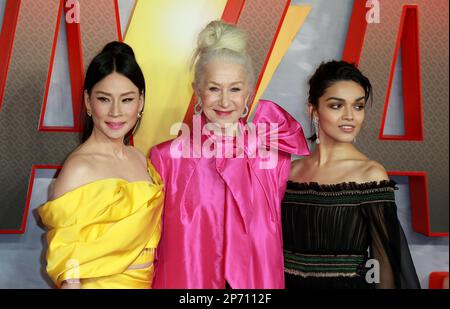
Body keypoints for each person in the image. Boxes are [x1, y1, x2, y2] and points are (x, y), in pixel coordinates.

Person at [150, 20, 309, 289]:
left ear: (248, 92)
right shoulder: (167, 159)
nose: (225, 101)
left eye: (235, 89)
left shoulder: (273, 158)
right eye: (214, 88)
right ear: (197, 91)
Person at [282, 60, 420, 289]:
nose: (350, 116)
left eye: (358, 106)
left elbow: (384, 263)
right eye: (336, 105)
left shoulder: (370, 175)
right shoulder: (291, 172)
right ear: (313, 110)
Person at [39, 42, 163, 289]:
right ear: (88, 102)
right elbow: (69, 263)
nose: (116, 112)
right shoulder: (78, 170)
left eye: (126, 99)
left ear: (140, 102)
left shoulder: (142, 160)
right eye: (104, 99)